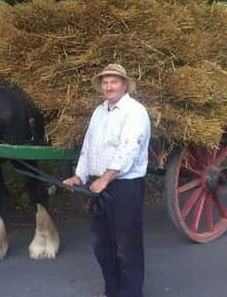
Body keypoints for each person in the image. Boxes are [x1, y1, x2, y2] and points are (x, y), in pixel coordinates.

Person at [63, 63, 151, 297]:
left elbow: (129, 148)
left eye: (114, 82)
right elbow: (88, 147)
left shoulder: (135, 111)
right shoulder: (99, 112)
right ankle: (112, 290)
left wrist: (106, 178)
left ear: (124, 84)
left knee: (126, 246)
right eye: (105, 82)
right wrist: (79, 175)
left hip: (124, 186)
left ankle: (131, 294)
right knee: (101, 244)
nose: (109, 86)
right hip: (97, 185)